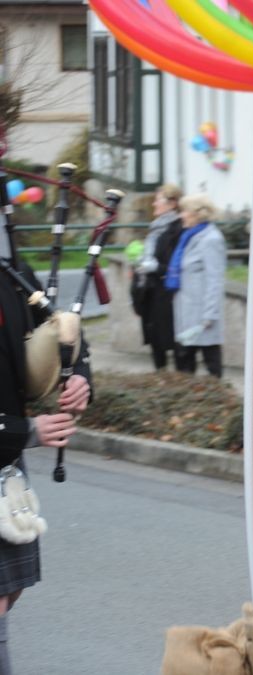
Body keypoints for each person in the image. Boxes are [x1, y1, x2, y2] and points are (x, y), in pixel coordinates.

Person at [0, 222, 91, 673]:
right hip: (8, 441)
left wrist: (78, 379)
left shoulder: (13, 270)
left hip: (5, 463)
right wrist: (27, 432)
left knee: (9, 590)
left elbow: (65, 332)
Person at [167, 194, 226, 378]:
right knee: (184, 364)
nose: (181, 215)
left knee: (211, 363)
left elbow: (215, 279)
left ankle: (219, 401)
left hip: (201, 314)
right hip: (186, 312)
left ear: (197, 215)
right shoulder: (190, 236)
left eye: (184, 211)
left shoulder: (211, 239)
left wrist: (209, 314)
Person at [133, 184, 184, 370]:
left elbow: (175, 265)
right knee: (155, 340)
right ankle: (160, 379)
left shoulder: (177, 228)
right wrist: (141, 259)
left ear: (172, 203)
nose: (154, 204)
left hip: (166, 293)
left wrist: (153, 266)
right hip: (150, 291)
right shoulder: (156, 227)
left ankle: (179, 384)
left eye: (158, 200)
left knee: (171, 340)